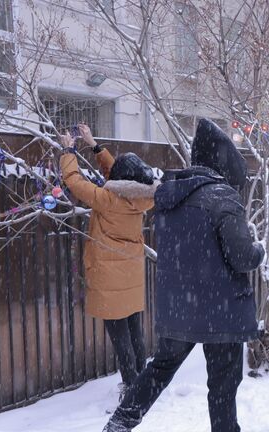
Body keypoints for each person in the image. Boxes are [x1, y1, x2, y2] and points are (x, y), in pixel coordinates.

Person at [104, 119, 265, 432]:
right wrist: (260, 250)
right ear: (223, 161)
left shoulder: (170, 196)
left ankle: (120, 423)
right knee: (222, 387)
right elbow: (243, 257)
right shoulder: (222, 196)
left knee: (159, 370)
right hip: (222, 312)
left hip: (180, 309)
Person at [59, 125, 156, 398]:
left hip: (110, 277)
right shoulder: (139, 197)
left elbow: (75, 182)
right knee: (134, 330)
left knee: (120, 336)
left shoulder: (108, 199)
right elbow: (116, 174)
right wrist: (94, 145)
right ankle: (142, 379)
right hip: (130, 274)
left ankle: (132, 387)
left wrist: (68, 151)